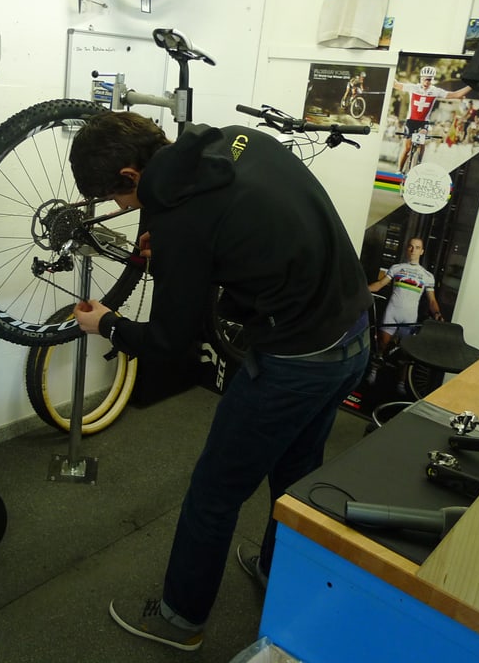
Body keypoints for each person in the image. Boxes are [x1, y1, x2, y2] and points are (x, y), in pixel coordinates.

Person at [69, 111, 371, 651]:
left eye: (116, 198)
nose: (120, 210)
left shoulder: (183, 220)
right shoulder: (232, 140)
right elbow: (246, 234)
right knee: (297, 472)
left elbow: (170, 342)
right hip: (352, 333)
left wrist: (106, 323)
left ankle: (180, 619)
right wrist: (169, 245)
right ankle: (279, 571)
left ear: (132, 176)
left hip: (297, 360)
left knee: (213, 494)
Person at [365, 237, 442, 392]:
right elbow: (379, 285)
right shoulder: (397, 267)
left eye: (417, 247)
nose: (413, 250)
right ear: (407, 249)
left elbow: (432, 300)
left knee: (405, 355)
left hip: (409, 318)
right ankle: (373, 371)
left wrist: (438, 314)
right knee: (382, 346)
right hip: (392, 313)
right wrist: (362, 289)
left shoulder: (427, 276)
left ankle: (401, 382)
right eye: (411, 247)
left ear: (422, 251)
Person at [393, 65, 471, 171]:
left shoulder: (435, 91)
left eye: (429, 80)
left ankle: (417, 163)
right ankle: (399, 170)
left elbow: (455, 95)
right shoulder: (413, 87)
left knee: (421, 140)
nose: (426, 82)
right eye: (424, 79)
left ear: (432, 80)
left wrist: (471, 86)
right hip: (410, 121)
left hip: (423, 122)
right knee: (407, 148)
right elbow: (396, 85)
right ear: (421, 78)